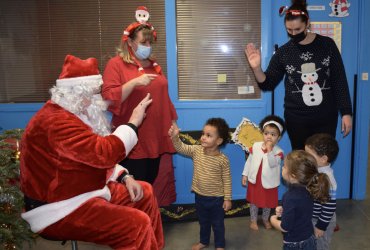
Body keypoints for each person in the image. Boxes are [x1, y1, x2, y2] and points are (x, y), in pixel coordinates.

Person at [20, 54, 164, 250]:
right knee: (135, 225)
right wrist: (133, 123)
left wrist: (124, 177)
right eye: (92, 94)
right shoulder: (55, 122)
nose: (97, 100)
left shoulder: (75, 114)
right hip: (60, 206)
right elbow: (103, 153)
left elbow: (90, 156)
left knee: (145, 191)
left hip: (85, 189)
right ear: (75, 94)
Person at [244, 0, 352, 150]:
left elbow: (339, 79)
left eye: (297, 29)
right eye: (289, 30)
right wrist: (256, 68)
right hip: (297, 119)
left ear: (307, 22)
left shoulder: (327, 45)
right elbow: (267, 83)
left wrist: (346, 112)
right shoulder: (284, 52)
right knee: (301, 164)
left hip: (326, 117)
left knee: (322, 160)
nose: (293, 34)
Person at [102, 6, 177, 184]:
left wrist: (173, 124)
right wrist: (134, 82)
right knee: (133, 187)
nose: (148, 47)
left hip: (156, 136)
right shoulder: (116, 64)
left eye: (150, 43)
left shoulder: (154, 65)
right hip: (134, 139)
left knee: (149, 182)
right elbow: (109, 97)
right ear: (130, 42)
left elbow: (164, 98)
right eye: (144, 43)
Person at [168, 118, 232, 250]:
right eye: (203, 134)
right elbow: (181, 148)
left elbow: (227, 179)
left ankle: (220, 245)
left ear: (218, 141)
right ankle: (204, 241)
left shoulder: (223, 160)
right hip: (200, 196)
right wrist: (175, 137)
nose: (203, 137)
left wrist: (227, 198)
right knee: (203, 222)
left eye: (208, 135)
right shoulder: (196, 151)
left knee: (218, 224)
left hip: (217, 199)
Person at [270, 150, 331, 250]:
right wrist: (285, 209)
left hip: (294, 244)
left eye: (284, 166)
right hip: (309, 239)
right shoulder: (310, 188)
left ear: (293, 175)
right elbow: (300, 209)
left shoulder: (289, 197)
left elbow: (285, 227)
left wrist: (273, 220)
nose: (282, 167)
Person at [241, 115, 285, 231]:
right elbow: (249, 161)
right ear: (263, 134)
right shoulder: (255, 146)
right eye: (266, 133)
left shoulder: (278, 152)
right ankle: (253, 220)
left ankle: (266, 219)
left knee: (267, 204)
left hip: (269, 183)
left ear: (278, 137)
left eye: (273, 134)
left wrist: (270, 150)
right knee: (254, 203)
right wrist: (245, 174)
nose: (269, 136)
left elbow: (272, 163)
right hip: (255, 180)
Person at [305, 133, 339, 250]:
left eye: (309, 155)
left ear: (323, 159)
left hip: (322, 220)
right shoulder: (316, 170)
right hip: (313, 217)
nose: (306, 157)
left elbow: (329, 207)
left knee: (320, 246)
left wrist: (321, 226)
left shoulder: (327, 179)